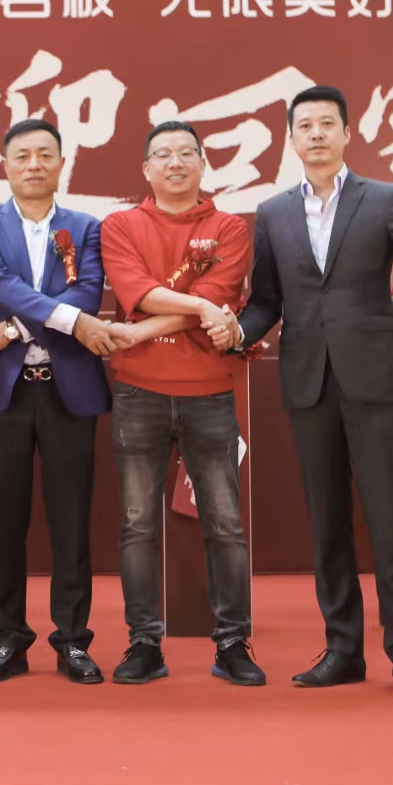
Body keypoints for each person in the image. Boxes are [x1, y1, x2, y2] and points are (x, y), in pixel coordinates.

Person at [233, 85, 393, 703]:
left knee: (389, 519)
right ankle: (343, 649)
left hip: (373, 380)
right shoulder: (273, 213)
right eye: (304, 125)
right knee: (327, 521)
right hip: (308, 381)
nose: (315, 134)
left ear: (346, 133)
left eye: (326, 124)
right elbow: (266, 302)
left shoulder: (384, 198)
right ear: (291, 138)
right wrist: (238, 332)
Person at [98, 120, 264, 686]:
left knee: (226, 525)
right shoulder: (121, 225)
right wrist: (201, 310)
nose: (175, 162)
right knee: (137, 525)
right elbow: (137, 292)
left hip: (208, 392)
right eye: (163, 154)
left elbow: (217, 297)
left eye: (186, 153)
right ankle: (144, 643)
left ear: (201, 162)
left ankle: (233, 642)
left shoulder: (229, 227)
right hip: (138, 392)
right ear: (146, 168)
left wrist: (142, 330)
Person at [0, 118, 114, 685]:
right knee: (5, 518)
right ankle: (8, 639)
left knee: (72, 519)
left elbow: (86, 291)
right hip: (3, 391)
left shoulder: (85, 227)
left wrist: (14, 330)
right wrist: (59, 319)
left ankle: (72, 640)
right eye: (22, 155)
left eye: (45, 154)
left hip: (68, 389)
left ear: (62, 163)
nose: (34, 164)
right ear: (6, 165)